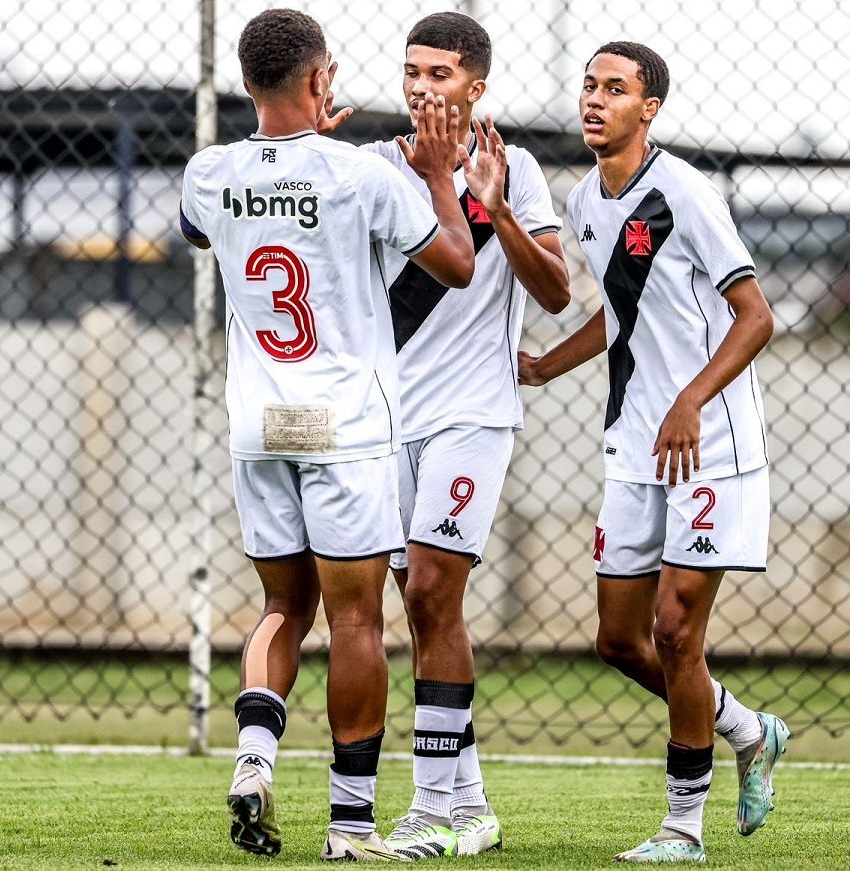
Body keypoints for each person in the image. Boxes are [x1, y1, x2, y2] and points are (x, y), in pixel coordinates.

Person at [178, 8, 489, 861]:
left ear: (246, 84)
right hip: (344, 426)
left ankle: (252, 758)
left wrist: (290, 149)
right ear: (322, 80)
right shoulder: (362, 175)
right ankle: (350, 826)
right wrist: (431, 176)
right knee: (356, 623)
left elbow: (208, 229)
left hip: (260, 423)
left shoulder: (207, 172)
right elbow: (459, 264)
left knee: (283, 607)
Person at [518, 41, 790, 862]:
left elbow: (756, 315)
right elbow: (622, 313)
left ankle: (682, 827)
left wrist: (690, 398)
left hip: (708, 445)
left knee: (677, 634)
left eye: (616, 89)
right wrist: (544, 364)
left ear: (651, 108)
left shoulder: (684, 192)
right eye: (589, 86)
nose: (595, 100)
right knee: (617, 640)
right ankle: (748, 728)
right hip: (635, 446)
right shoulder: (584, 201)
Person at [320, 12, 571, 859]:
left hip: (474, 414)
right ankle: (473, 808)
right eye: (412, 71)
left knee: (432, 593)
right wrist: (310, 154)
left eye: (440, 73)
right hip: (386, 422)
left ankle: (427, 812)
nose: (422, 86)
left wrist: (496, 210)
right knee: (422, 614)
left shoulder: (516, 168)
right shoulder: (369, 166)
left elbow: (556, 292)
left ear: (476, 86)